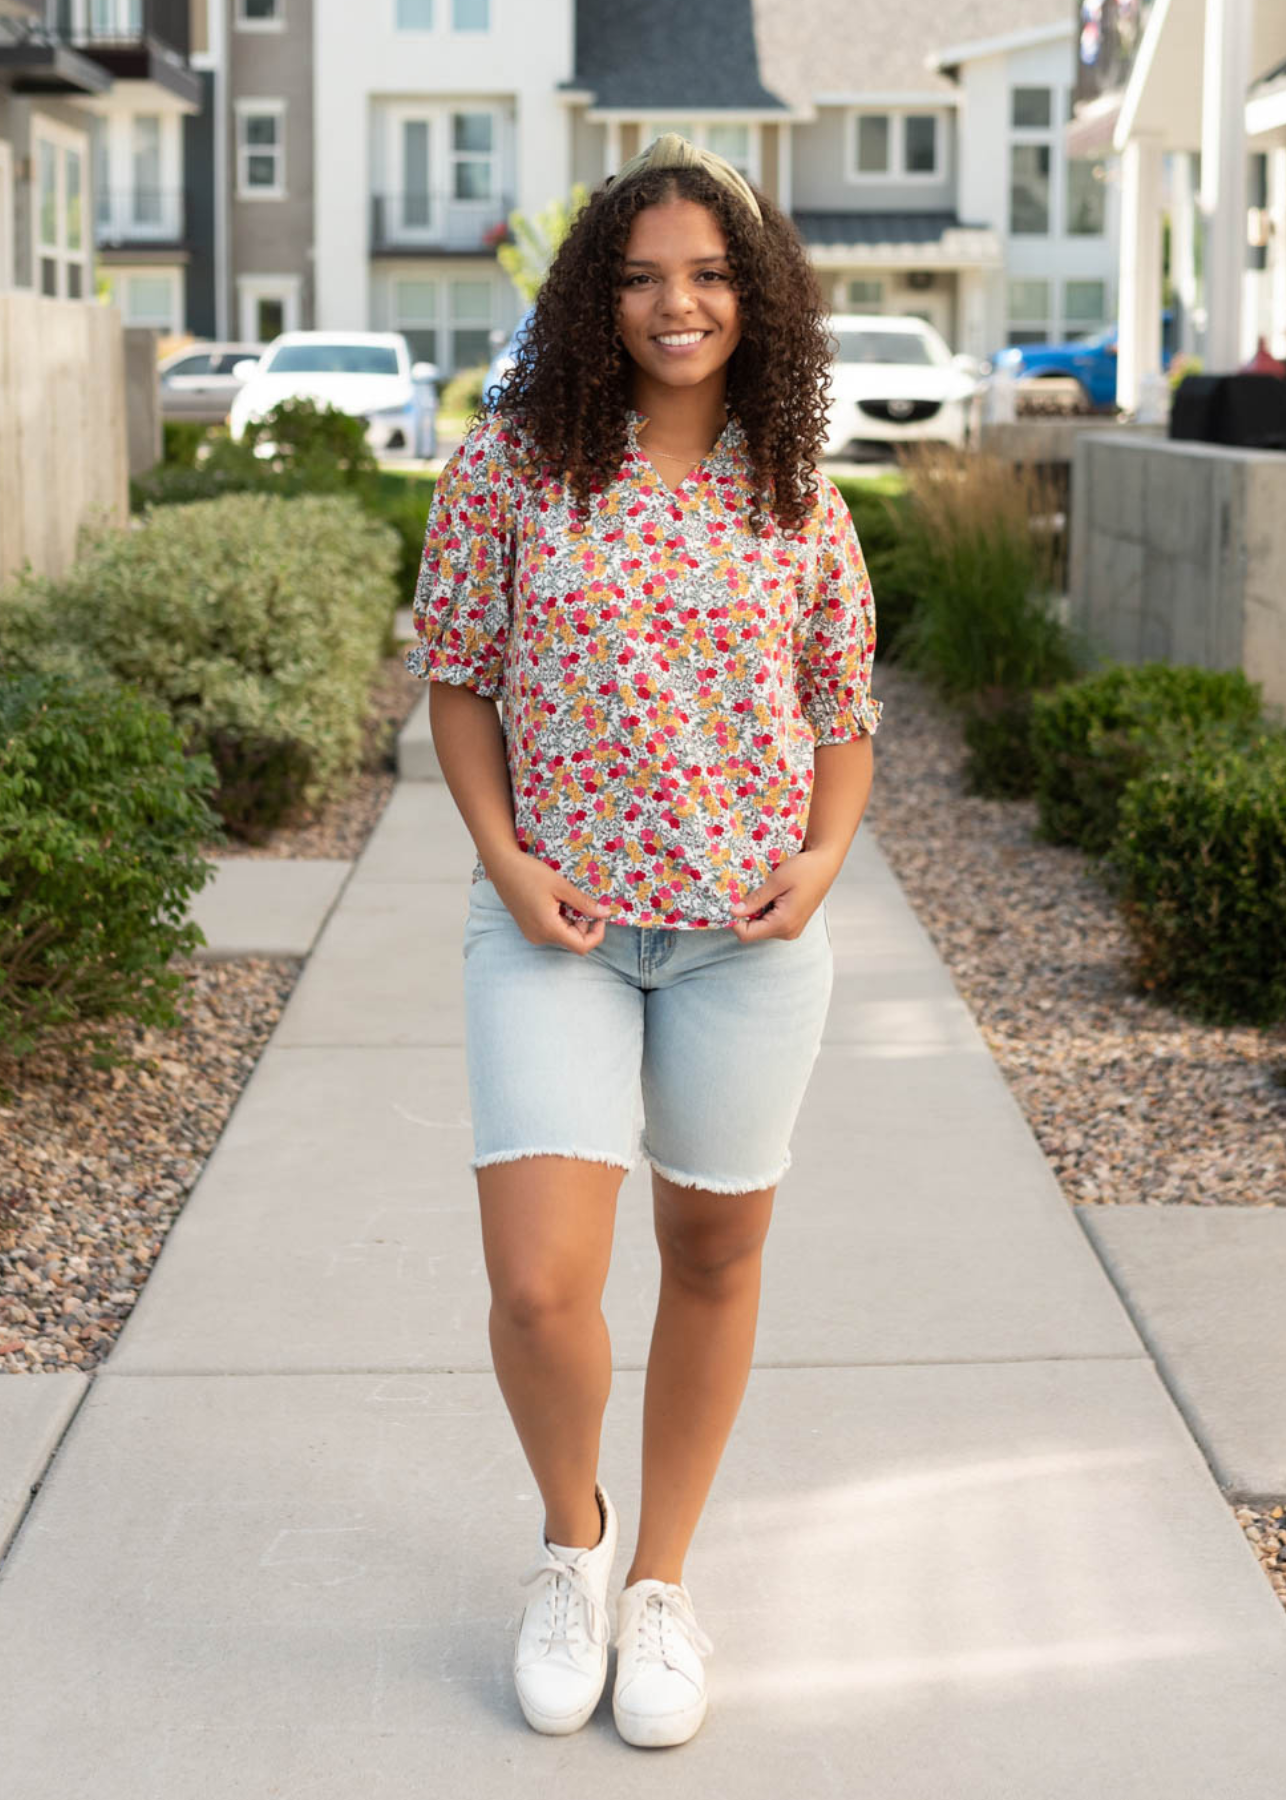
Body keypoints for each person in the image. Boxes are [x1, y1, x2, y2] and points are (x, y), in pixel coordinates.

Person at [404, 132, 882, 1749]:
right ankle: (573, 1546)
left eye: (706, 275)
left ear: (754, 299)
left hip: (746, 944)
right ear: (594, 298)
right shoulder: (513, 464)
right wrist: (503, 857)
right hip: (557, 929)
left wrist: (819, 861)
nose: (675, 305)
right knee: (542, 1287)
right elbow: (457, 677)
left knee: (711, 1255)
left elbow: (843, 714)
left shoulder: (794, 489)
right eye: (639, 277)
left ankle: (664, 1585)